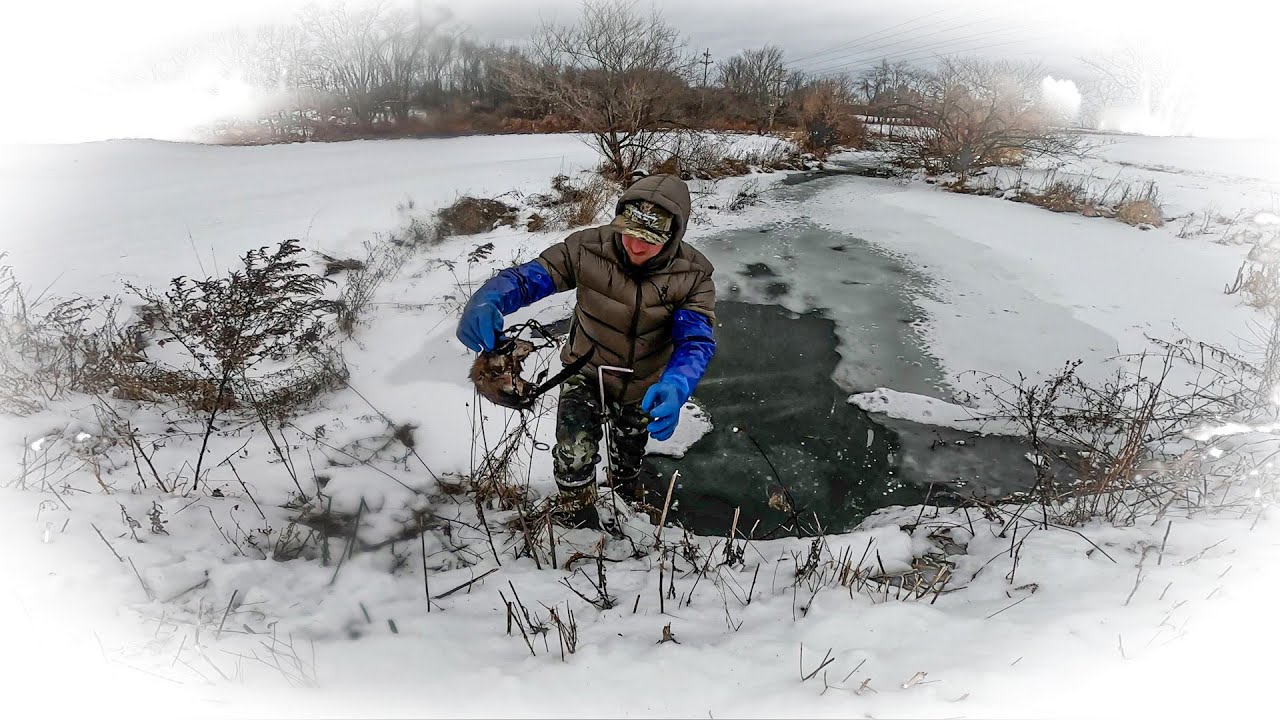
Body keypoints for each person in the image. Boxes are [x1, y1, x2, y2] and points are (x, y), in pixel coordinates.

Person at [456, 173, 717, 528]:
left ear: (673, 237)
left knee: (629, 454)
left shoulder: (694, 275)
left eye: (650, 240)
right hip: (587, 371)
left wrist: (677, 383)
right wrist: (491, 297)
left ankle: (626, 497)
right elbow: (532, 277)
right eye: (630, 233)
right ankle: (578, 517)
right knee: (573, 451)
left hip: (645, 383)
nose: (636, 247)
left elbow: (695, 340)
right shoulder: (586, 249)